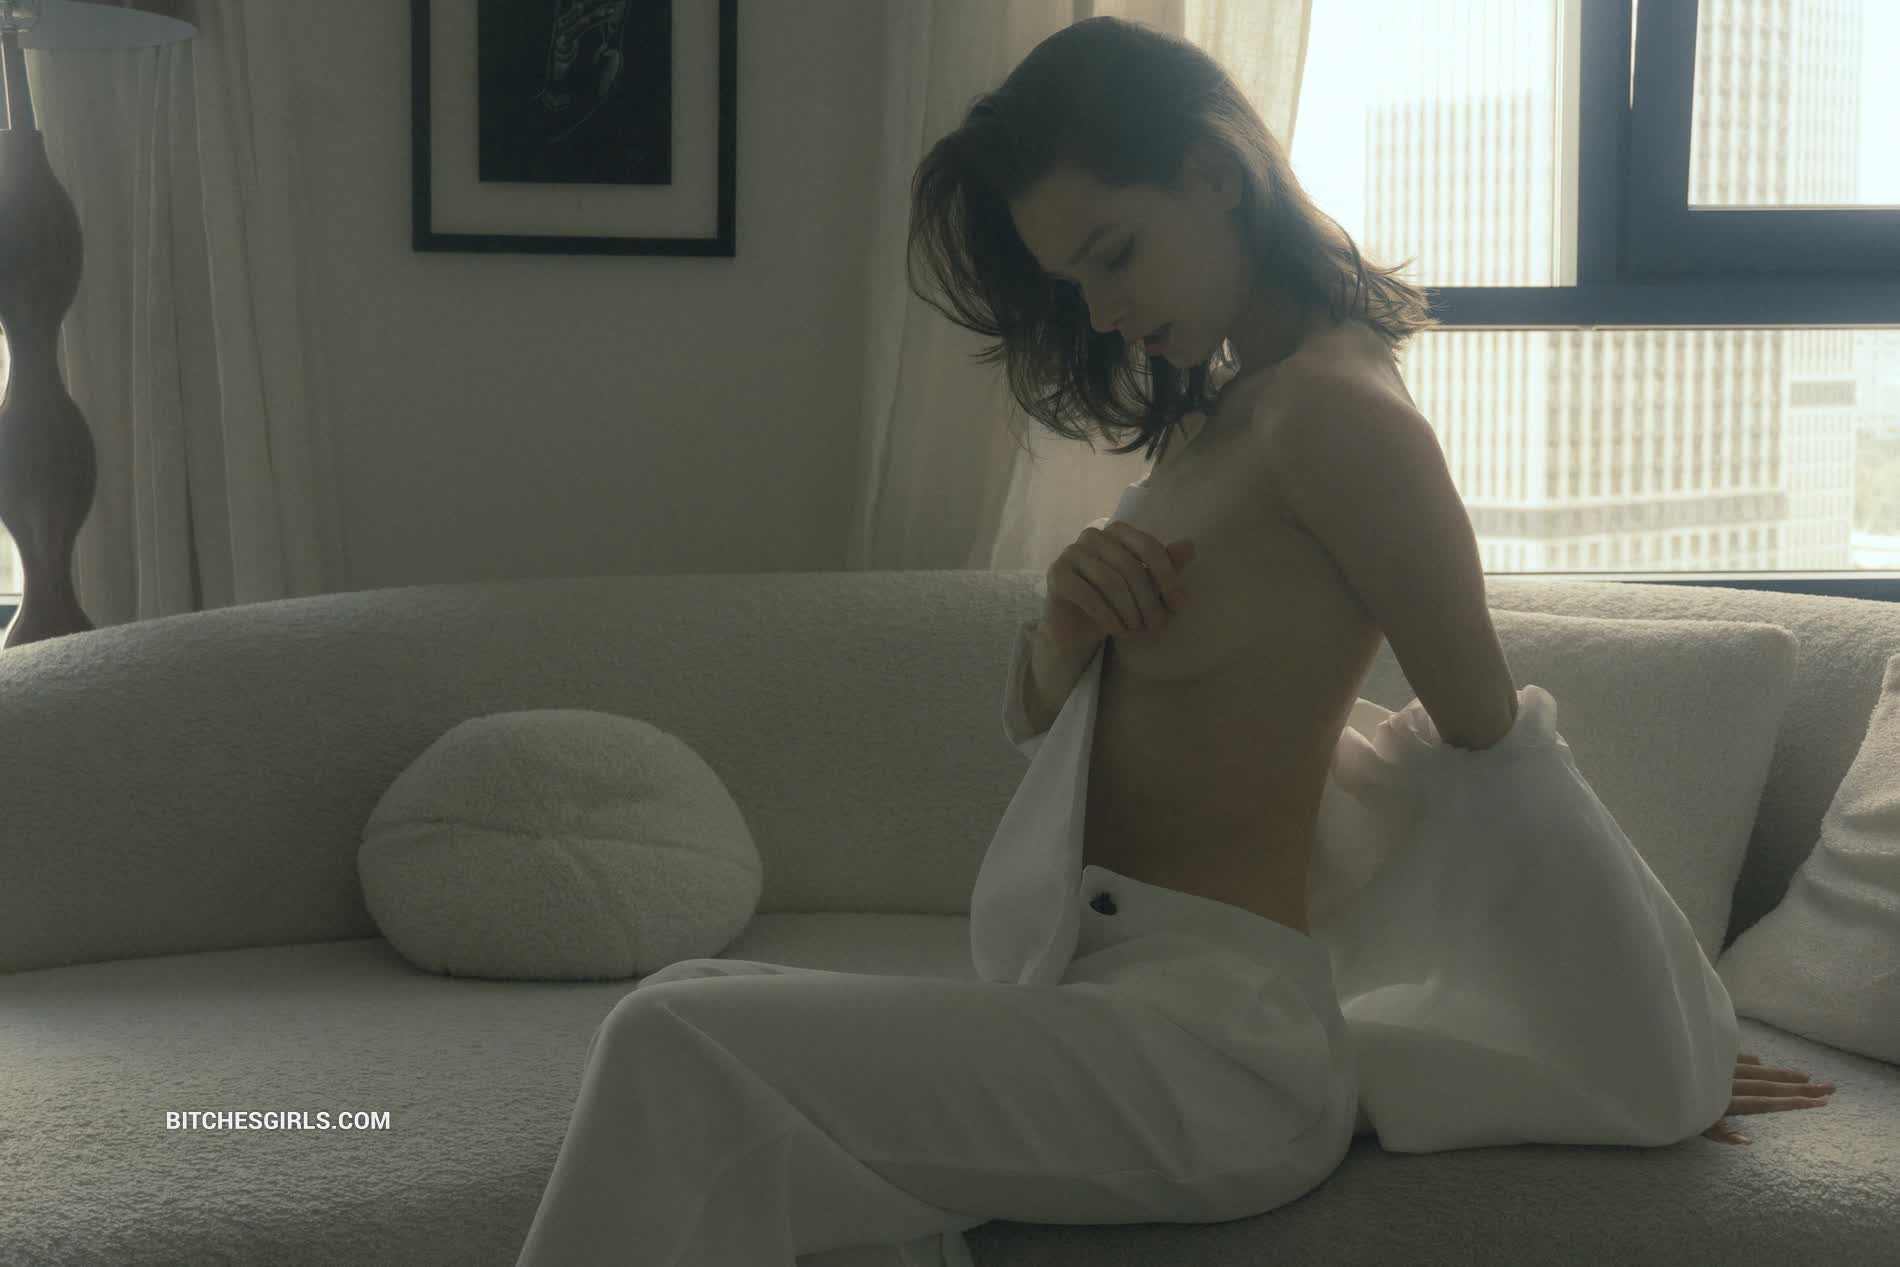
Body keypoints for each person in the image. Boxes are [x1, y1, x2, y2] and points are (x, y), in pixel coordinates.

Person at [514, 17, 1831, 1267]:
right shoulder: (1222, 420)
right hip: (1101, 991)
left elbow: (1493, 748)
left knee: (678, 1036)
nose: (1100, 311)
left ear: (1216, 171)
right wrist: (1064, 620)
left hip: (1220, 1055)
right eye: (1072, 280)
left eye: (1113, 254)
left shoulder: (1340, 418)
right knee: (707, 1013)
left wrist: (1659, 1038)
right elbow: (1059, 720)